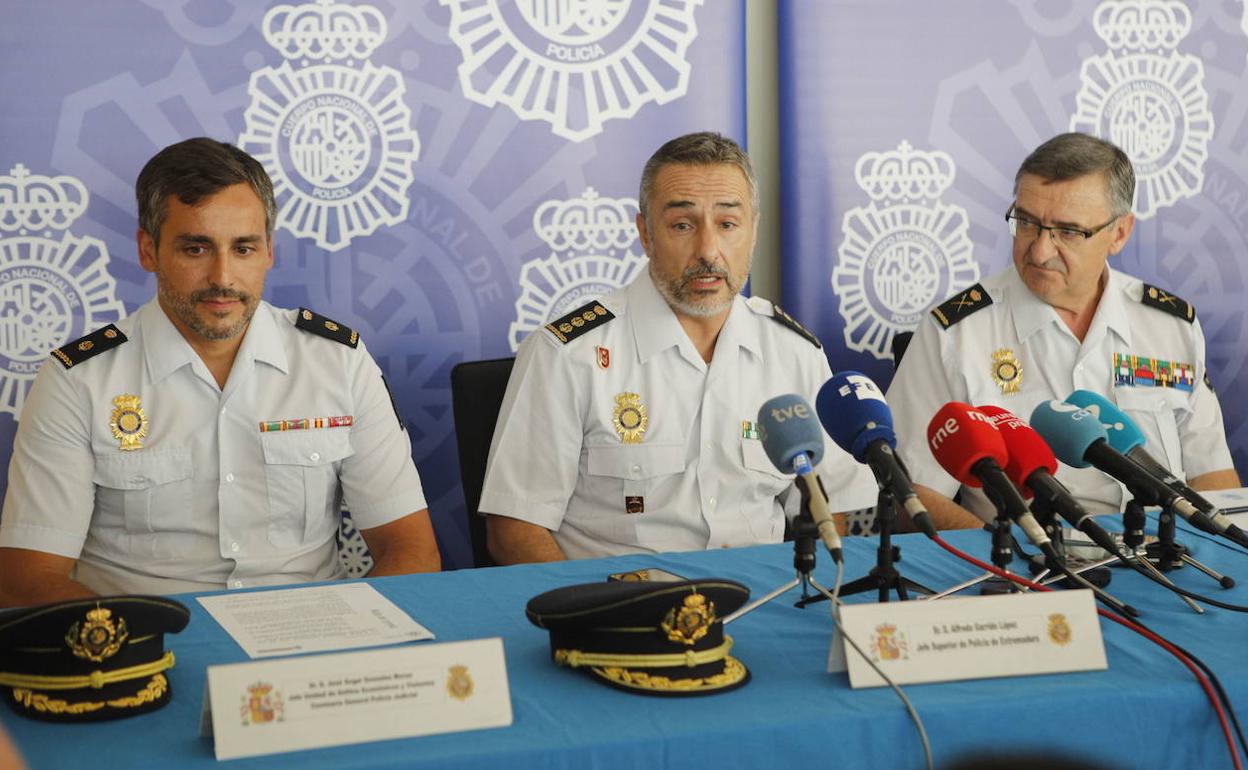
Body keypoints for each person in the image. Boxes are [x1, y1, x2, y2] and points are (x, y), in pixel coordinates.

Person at [0, 138, 439, 606]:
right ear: (148, 250)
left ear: (269, 250)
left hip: (312, 642)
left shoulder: (339, 361)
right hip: (148, 649)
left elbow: (410, 548)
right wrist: (137, 648)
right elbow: (27, 575)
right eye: (196, 249)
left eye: (244, 249)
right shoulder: (78, 380)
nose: (223, 276)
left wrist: (350, 636)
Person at [480, 131, 885, 565]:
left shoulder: (795, 353)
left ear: (753, 231)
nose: (708, 250)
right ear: (645, 233)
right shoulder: (568, 354)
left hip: (764, 600)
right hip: (621, 610)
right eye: (682, 225)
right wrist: (592, 620)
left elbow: (830, 508)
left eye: (727, 224)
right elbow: (514, 530)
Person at [887, 132, 1239, 524]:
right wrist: (1019, 557)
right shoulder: (955, 333)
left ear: (1119, 233)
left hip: (1162, 562)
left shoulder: (1170, 325)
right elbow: (909, 493)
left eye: (1069, 232)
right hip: (1028, 566)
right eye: (1026, 222)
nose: (1039, 250)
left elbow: (1212, 476)